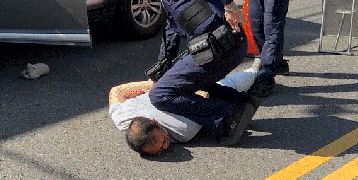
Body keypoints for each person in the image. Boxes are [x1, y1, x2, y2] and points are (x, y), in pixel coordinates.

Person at [121, 0, 258, 151]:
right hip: (220, 48)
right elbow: (171, 33)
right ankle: (241, 102)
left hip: (222, 47)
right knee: (178, 81)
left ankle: (229, 114)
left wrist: (230, 7)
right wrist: (161, 68)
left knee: (160, 96)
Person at [109, 65, 259, 156]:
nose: (165, 147)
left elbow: (117, 91)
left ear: (154, 122)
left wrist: (154, 86)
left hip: (179, 87)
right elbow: (116, 92)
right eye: (158, 152)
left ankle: (256, 70)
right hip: (180, 94)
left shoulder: (183, 130)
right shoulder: (123, 120)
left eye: (165, 140)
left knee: (229, 84)